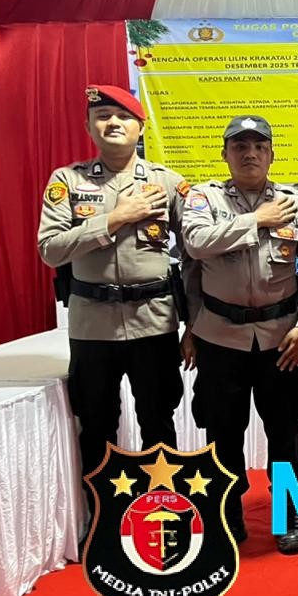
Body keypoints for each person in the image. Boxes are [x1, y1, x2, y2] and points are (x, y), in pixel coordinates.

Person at [37, 84, 193, 522]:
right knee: (97, 423)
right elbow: (50, 249)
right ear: (88, 126)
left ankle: (162, 513)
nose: (112, 123)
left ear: (140, 127)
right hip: (93, 326)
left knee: (158, 420)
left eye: (123, 116)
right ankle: (104, 518)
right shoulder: (68, 182)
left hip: (154, 321)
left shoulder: (167, 182)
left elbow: (195, 255)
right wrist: (115, 218)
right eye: (102, 116)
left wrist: (195, 326)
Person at [180, 115, 298, 555]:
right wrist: (257, 221)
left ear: (271, 154)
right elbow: (195, 246)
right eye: (240, 146)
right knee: (222, 428)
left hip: (280, 337)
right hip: (219, 336)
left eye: (259, 147)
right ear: (225, 154)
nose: (250, 154)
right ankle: (228, 514)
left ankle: (287, 513)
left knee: (285, 428)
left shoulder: (295, 202)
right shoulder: (204, 198)